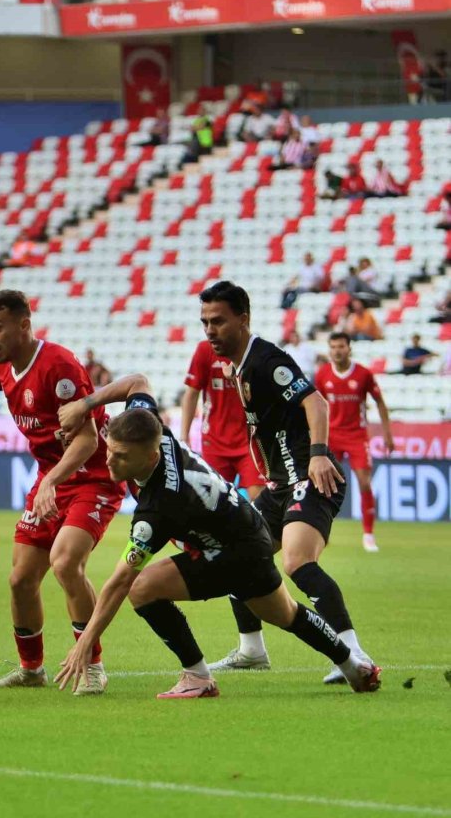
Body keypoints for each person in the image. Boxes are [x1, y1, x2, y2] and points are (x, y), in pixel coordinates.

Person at [55, 381, 381, 698]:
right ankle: (353, 666)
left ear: (151, 458)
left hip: (232, 552)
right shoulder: (149, 427)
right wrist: (86, 404)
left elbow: (120, 581)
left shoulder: (161, 505)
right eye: (110, 450)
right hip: (249, 530)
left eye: (122, 456)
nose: (110, 460)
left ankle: (197, 676)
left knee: (142, 588)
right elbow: (137, 382)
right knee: (286, 613)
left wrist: (85, 641)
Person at [0, 290, 125, 694]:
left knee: (66, 564)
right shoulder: (4, 367)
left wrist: (50, 481)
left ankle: (92, 664)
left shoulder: (59, 366)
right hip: (51, 479)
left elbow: (85, 440)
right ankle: (31, 669)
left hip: (92, 479)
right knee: (20, 579)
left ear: (24, 326)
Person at [194, 282, 375, 685]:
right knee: (235, 552)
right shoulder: (240, 366)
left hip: (307, 477)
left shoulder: (266, 360)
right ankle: (251, 650)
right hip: (280, 485)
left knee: (296, 561)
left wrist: (318, 454)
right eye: (205, 322)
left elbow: (316, 402)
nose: (210, 330)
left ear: (243, 319)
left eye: (219, 321)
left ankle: (353, 652)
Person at [315, 333, 394, 553]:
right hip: (331, 436)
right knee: (323, 487)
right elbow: (315, 407)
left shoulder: (363, 374)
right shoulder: (322, 375)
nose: (337, 350)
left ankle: (368, 535)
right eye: (333, 346)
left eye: (341, 346)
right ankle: (322, 531)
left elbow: (379, 402)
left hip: (357, 436)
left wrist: (388, 434)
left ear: (349, 348)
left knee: (364, 483)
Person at [180, 339, 264, 501]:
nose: (210, 328)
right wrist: (184, 436)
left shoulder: (254, 349)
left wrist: (236, 377)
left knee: (260, 498)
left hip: (250, 440)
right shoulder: (205, 349)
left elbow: (262, 397)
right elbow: (191, 393)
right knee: (214, 502)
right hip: (215, 440)